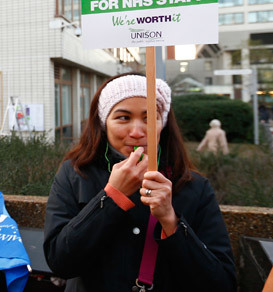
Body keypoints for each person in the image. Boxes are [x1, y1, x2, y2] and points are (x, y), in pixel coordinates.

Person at [44, 73, 236, 292]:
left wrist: (170, 221)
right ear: (104, 123)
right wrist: (113, 197)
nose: (136, 132)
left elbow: (221, 283)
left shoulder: (193, 185)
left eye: (149, 117)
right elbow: (60, 262)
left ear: (162, 123)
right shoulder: (75, 173)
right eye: (123, 118)